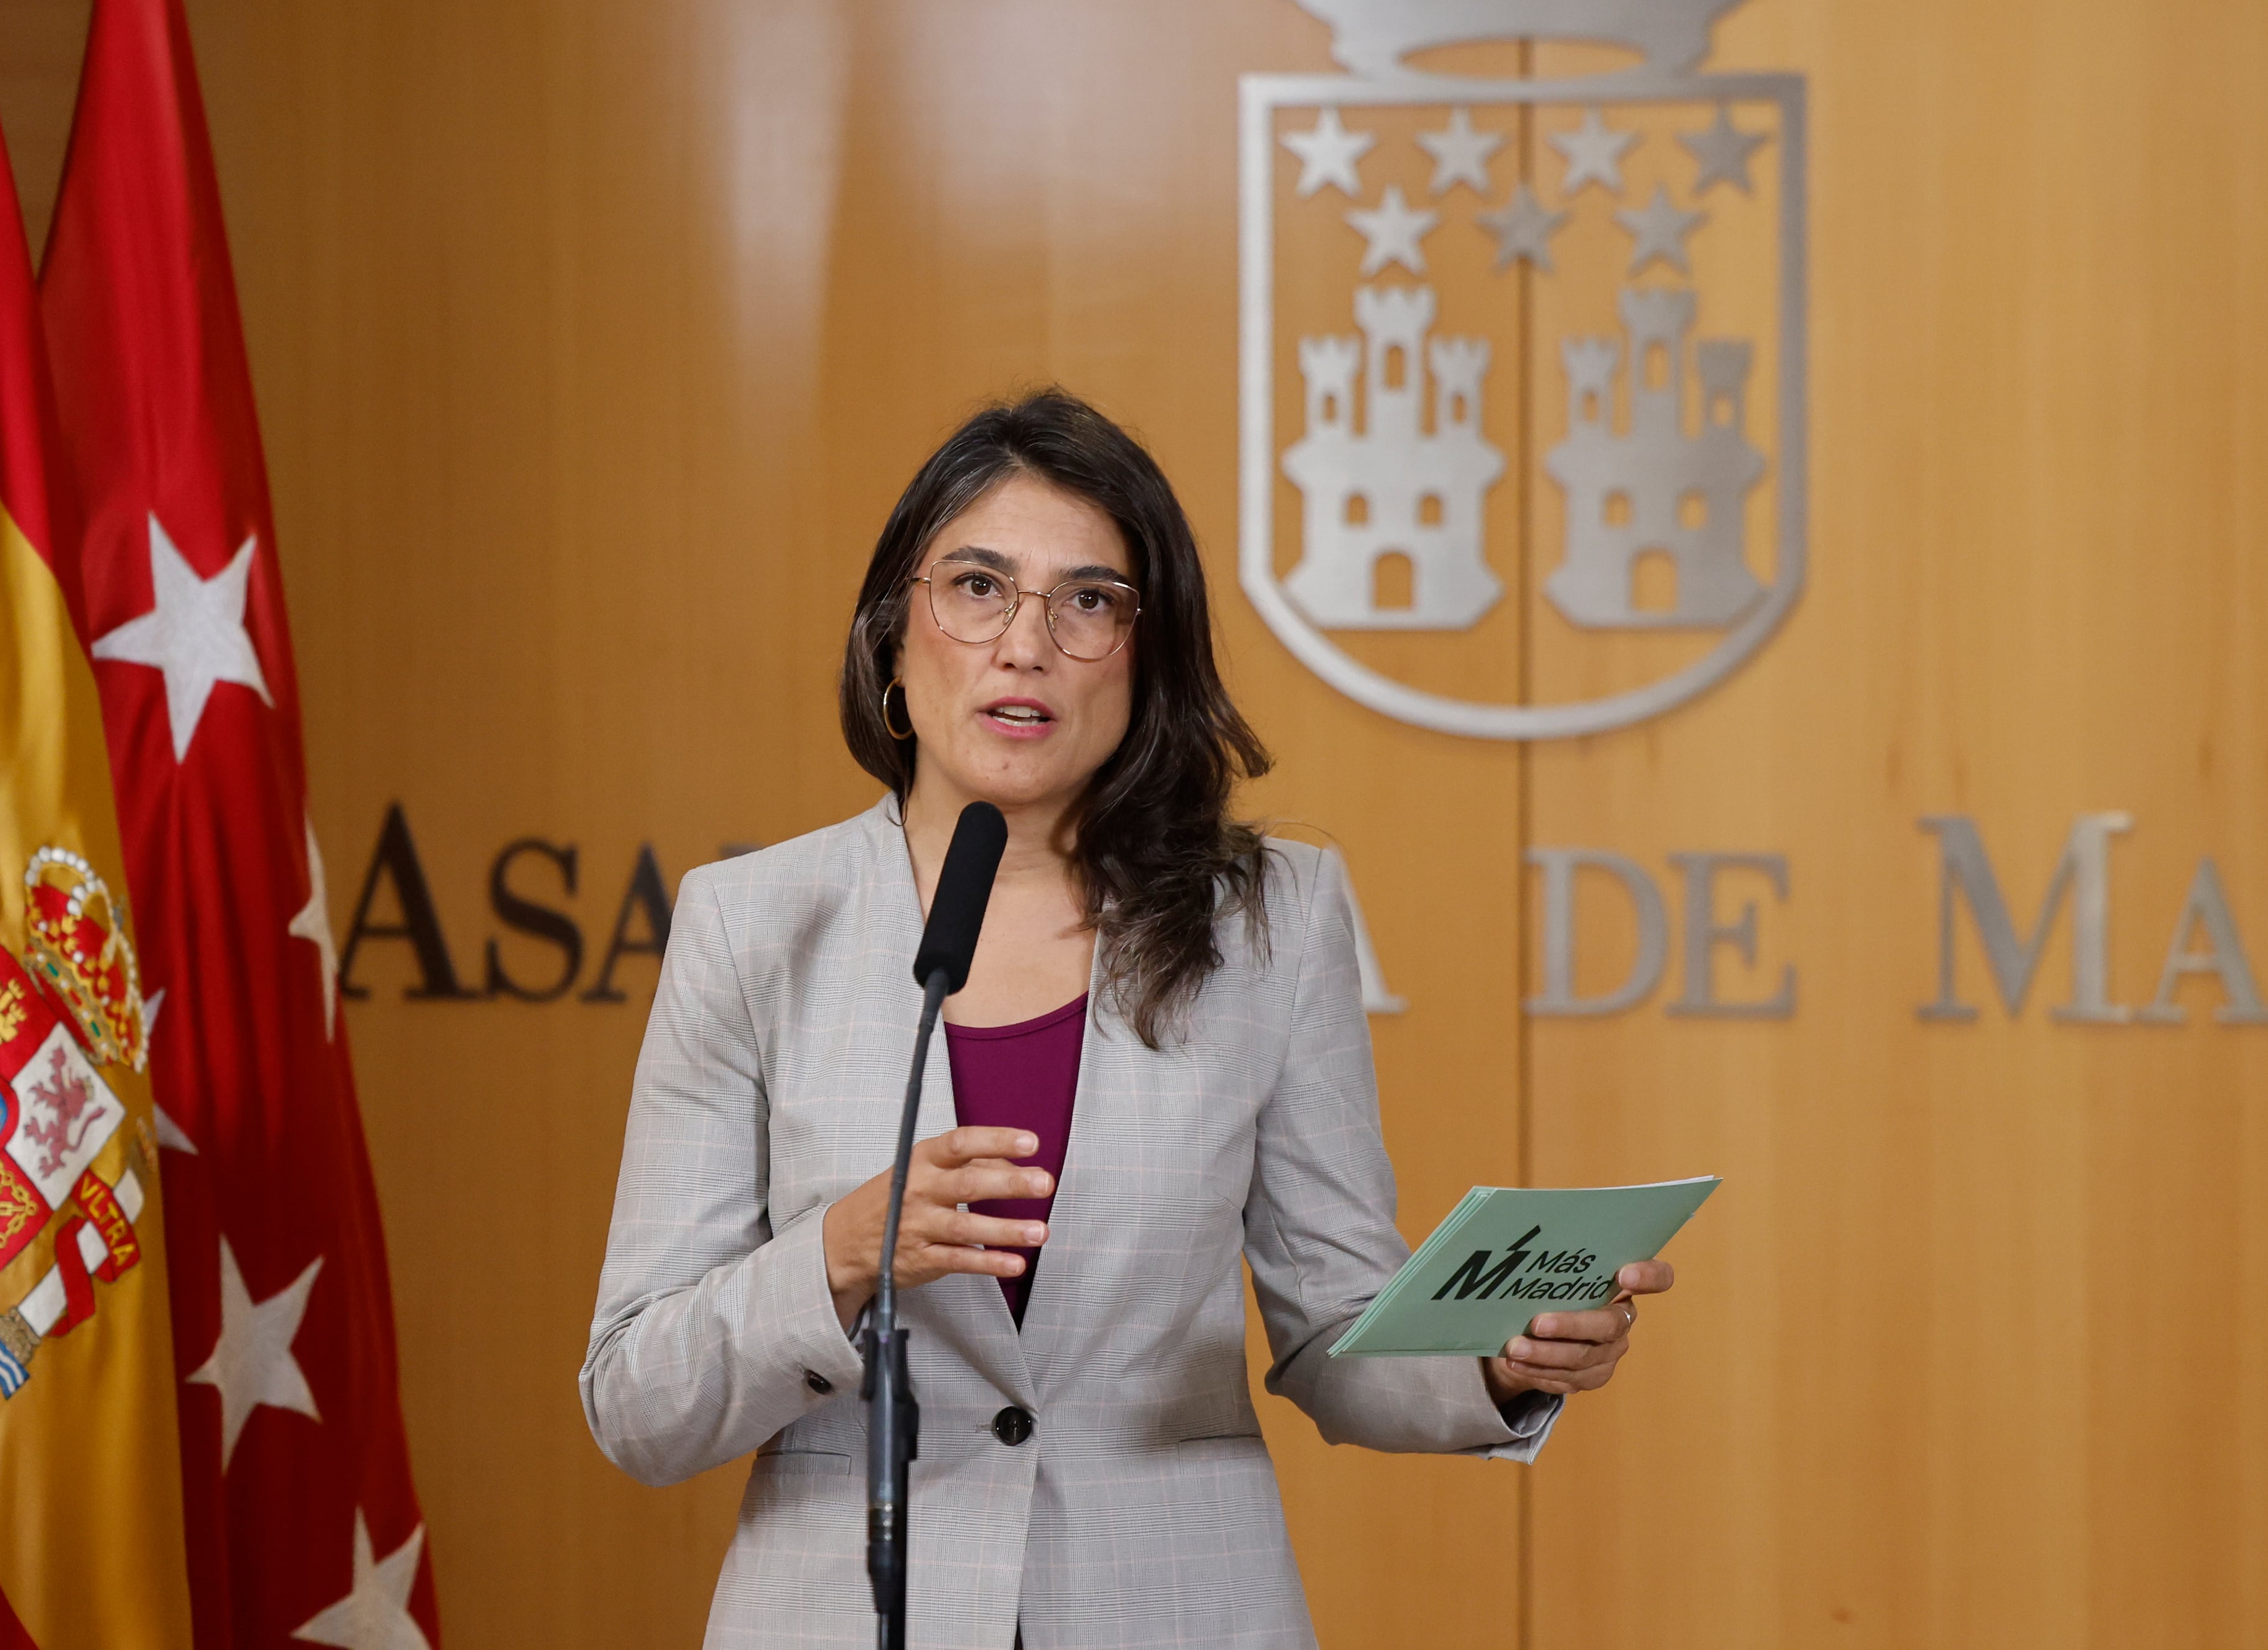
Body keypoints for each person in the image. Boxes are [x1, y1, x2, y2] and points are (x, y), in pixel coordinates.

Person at [580, 390, 1674, 1649]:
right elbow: (637, 1400)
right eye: (978, 586)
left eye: (1089, 600)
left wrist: (1496, 1361)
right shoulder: (753, 922)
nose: (1025, 643)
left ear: (1145, 656)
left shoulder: (1271, 919)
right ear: (893, 632)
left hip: (1178, 1606)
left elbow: (1335, 1327)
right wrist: (837, 1250)